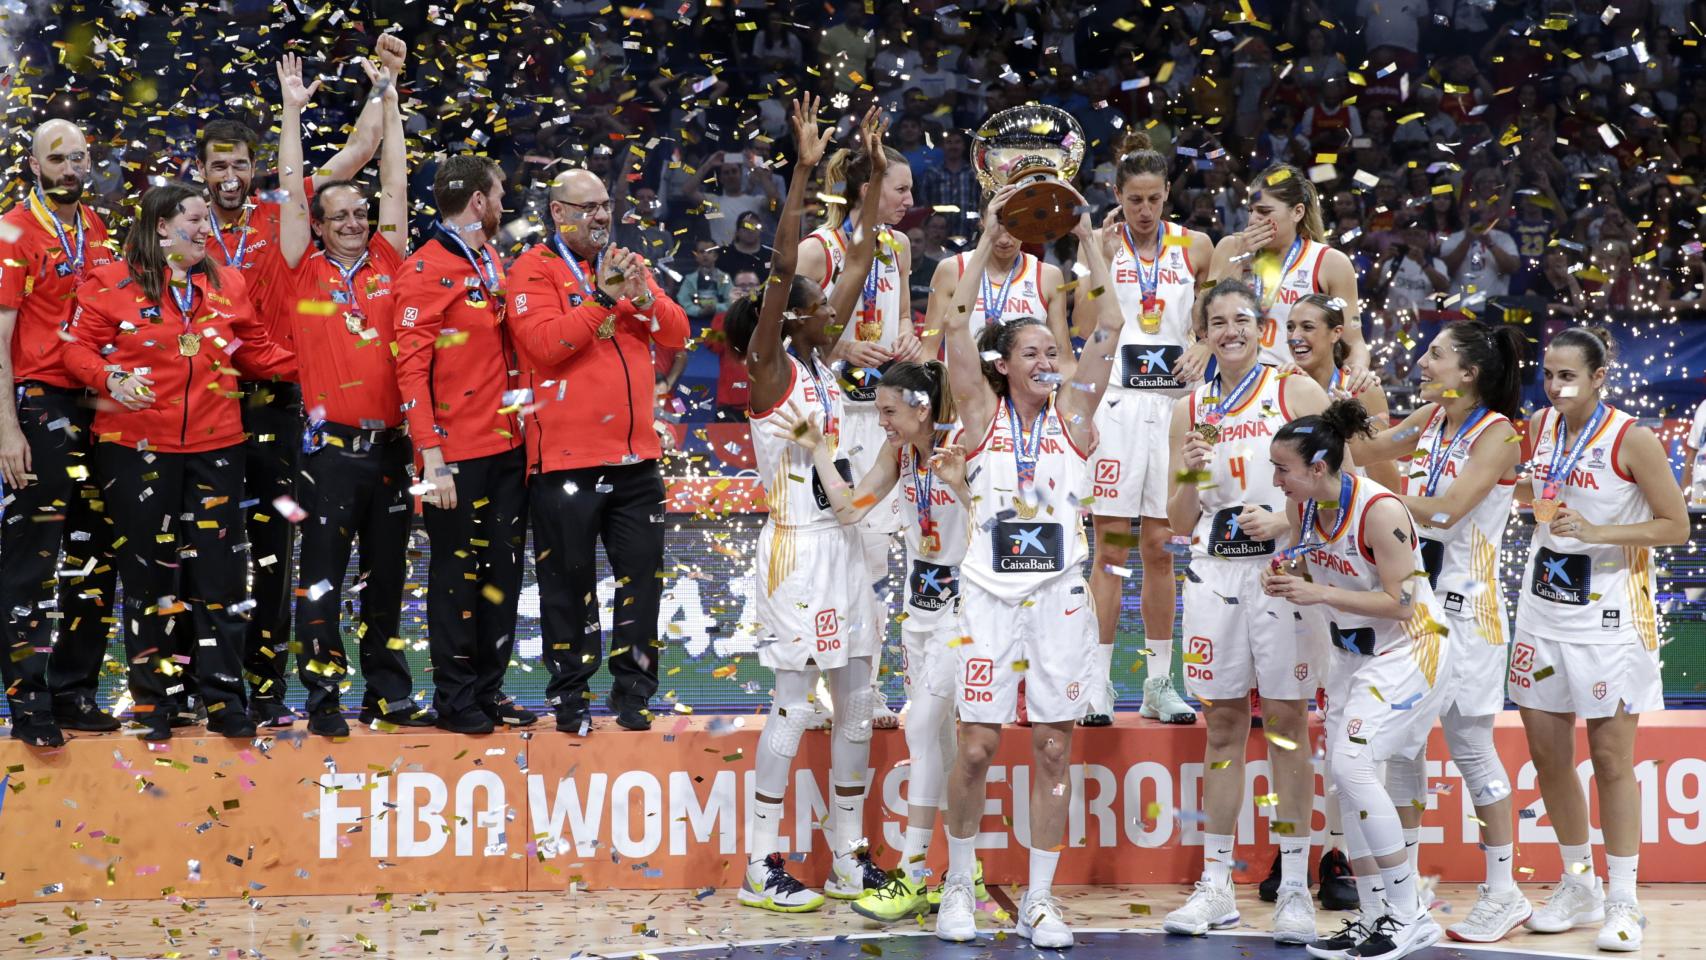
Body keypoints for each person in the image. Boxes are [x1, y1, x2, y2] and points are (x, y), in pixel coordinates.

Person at [195, 35, 403, 722]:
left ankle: (269, 687)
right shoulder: (184, 231)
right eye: (218, 165)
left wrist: (384, 85)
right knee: (217, 552)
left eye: (240, 163)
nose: (230, 175)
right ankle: (211, 687)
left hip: (290, 413)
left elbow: (366, 153)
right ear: (200, 172)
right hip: (216, 413)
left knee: (284, 550)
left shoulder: (284, 216)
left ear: (256, 169)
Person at [934, 187, 1121, 948]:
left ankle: (1040, 901)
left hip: (1057, 600)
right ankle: (957, 888)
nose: (1048, 359)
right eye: (1033, 351)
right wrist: (984, 242)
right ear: (1003, 365)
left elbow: (1108, 321)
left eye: (1053, 350)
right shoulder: (979, 414)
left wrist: (1087, 241)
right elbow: (951, 319)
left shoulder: (1076, 416)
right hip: (984, 597)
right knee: (976, 747)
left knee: (1051, 746)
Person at [63, 182, 297, 741]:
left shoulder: (228, 283)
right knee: (149, 578)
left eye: (206, 219)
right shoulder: (111, 284)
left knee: (220, 577)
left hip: (217, 448)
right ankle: (154, 701)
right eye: (195, 217)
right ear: (163, 226)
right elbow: (74, 348)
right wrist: (111, 376)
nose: (205, 227)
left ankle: (223, 697)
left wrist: (324, 357)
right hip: (136, 449)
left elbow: (256, 353)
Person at [728, 98, 886, 912]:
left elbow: (859, 255)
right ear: (789, 313)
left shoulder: (821, 365)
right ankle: (760, 864)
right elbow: (790, 267)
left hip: (844, 541)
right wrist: (799, 170)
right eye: (818, 299)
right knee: (797, 706)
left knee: (857, 703)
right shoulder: (770, 368)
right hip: (797, 547)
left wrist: (870, 175)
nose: (838, 304)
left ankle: (852, 858)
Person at [765, 360, 984, 922]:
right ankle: (965, 869)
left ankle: (912, 874)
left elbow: (1000, 530)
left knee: (919, 725)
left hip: (969, 609)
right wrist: (816, 450)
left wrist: (963, 489)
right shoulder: (898, 454)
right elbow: (847, 511)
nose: (879, 420)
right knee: (941, 737)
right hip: (921, 612)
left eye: (888, 410)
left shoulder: (970, 444)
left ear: (921, 407)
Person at [1160, 280, 1329, 945]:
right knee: (1223, 725)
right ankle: (1216, 885)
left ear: (1262, 327)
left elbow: (1336, 490)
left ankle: (1292, 885)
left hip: (1282, 574)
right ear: (1202, 333)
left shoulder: (1297, 393)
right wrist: (1187, 472)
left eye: (1241, 319)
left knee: (1287, 721)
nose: (1229, 329)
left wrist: (1286, 517)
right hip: (1211, 574)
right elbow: (1176, 521)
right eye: (1216, 321)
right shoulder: (1188, 408)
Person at [1512, 327, 1688, 953]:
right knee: (1549, 758)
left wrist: (1596, 529)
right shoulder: (1537, 428)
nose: (1554, 387)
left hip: (1608, 622)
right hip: (1540, 613)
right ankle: (1578, 882)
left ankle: (1623, 900)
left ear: (1598, 377)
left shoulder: (1632, 438)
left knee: (1611, 762)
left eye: (1567, 377)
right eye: (1548, 374)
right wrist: (1528, 500)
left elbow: (1676, 527)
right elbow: (1533, 493)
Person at [1262, 399, 1453, 960]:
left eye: (1283, 469)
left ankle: (1410, 914)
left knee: (1353, 763)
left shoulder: (1381, 511)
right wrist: (1291, 573)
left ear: (1318, 467)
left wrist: (1317, 592)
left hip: (1414, 646)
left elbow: (1400, 602)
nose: (1276, 479)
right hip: (1352, 657)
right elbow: (1323, 565)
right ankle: (1374, 918)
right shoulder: (1304, 507)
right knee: (1344, 781)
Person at [272, 56, 427, 736]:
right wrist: (292, 113)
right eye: (340, 213)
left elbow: (395, 181)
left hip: (391, 449)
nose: (355, 221)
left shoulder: (391, 261)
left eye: (360, 213)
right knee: (325, 580)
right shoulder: (300, 269)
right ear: (319, 218)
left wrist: (387, 95)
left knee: (386, 578)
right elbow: (288, 188)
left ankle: (387, 691)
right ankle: (324, 696)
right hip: (328, 455)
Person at [507, 166, 689, 734]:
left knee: (642, 579)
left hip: (636, 459)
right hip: (565, 462)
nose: (601, 216)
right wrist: (602, 300)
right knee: (568, 583)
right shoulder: (531, 270)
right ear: (557, 212)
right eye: (587, 207)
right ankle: (570, 695)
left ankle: (634, 693)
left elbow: (678, 334)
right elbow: (544, 345)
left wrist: (642, 298)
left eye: (605, 205)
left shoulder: (628, 263)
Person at [1082, 132, 1215, 728]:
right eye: (1134, 199)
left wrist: (1204, 344)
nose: (1144, 211)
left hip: (1176, 409)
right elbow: (1089, 329)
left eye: (1154, 199)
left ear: (1167, 196)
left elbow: (1217, 319)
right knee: (1110, 551)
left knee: (1162, 549)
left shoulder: (1197, 246)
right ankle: (1096, 684)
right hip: (1115, 409)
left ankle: (1161, 683)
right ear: (1116, 195)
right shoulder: (1097, 253)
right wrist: (1098, 260)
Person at [394, 155, 528, 733]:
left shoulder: (489, 257)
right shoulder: (423, 270)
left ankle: (489, 690)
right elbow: (409, 371)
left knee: (502, 573)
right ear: (478, 200)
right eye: (498, 193)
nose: (503, 204)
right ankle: (455, 698)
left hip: (505, 447)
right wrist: (431, 457)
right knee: (455, 577)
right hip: (450, 457)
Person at [0, 119, 122, 746]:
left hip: (96, 407)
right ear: (35, 163)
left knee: (95, 553)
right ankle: (28, 703)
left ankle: (75, 689)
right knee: (33, 559)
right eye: (59, 158)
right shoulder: (15, 229)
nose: (72, 168)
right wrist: (6, 429)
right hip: (40, 403)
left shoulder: (97, 230)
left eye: (79, 157)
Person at [800, 110, 919, 730]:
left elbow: (905, 325)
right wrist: (843, 348)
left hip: (882, 421)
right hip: (832, 424)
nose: (909, 199)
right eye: (899, 188)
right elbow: (786, 338)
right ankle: (816, 687)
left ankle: (865, 687)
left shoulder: (898, 247)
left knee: (875, 558)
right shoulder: (818, 251)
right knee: (829, 557)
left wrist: (906, 343)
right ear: (868, 188)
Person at [1208, 163, 1368, 372]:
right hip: (1236, 383)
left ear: (1297, 212)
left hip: (1297, 386)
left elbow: (1354, 340)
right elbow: (1201, 316)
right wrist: (1239, 259)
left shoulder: (1331, 263)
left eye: (1264, 211)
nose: (1254, 219)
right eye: (1251, 210)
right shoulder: (1229, 247)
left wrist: (1359, 370)